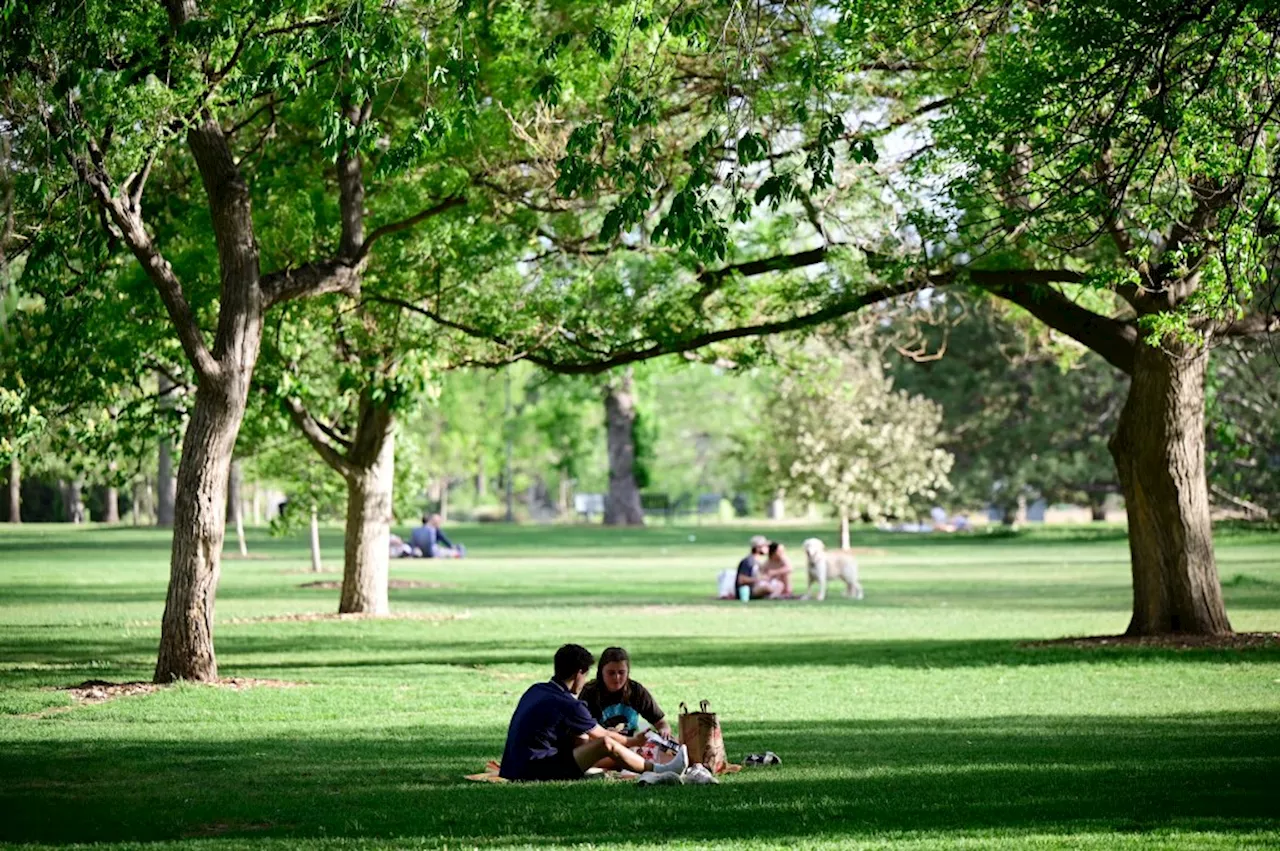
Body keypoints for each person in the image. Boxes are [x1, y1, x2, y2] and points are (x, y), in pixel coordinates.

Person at [498, 644, 688, 782]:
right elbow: (604, 737)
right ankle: (661, 770)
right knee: (605, 744)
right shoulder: (570, 704)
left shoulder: (537, 689)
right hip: (535, 771)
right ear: (579, 673)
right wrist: (633, 742)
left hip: (512, 767)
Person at [579, 647, 673, 739]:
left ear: (628, 672)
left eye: (621, 672)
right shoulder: (590, 692)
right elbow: (581, 731)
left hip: (632, 744)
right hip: (600, 746)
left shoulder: (636, 690)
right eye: (611, 673)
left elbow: (660, 722)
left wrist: (664, 730)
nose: (617, 677)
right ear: (601, 672)